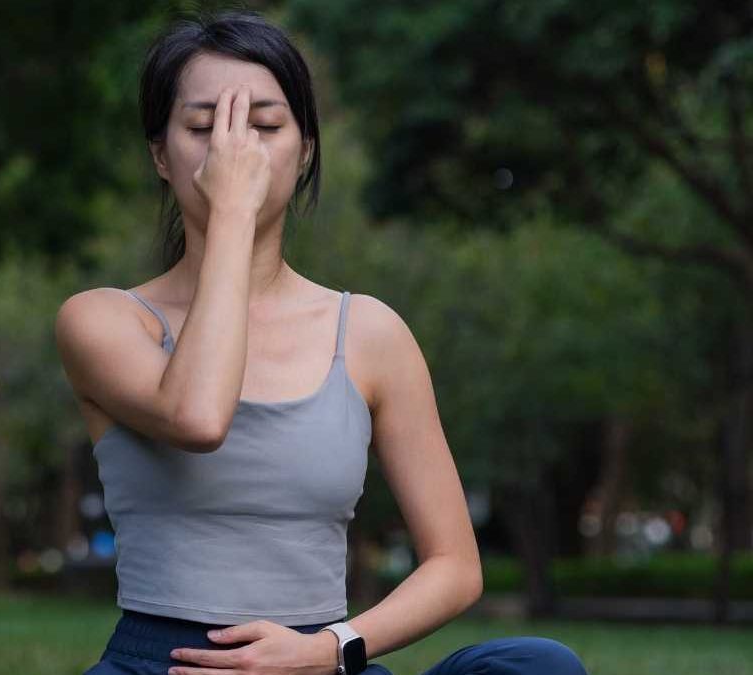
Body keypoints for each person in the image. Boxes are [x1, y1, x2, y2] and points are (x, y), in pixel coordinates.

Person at [55, 10, 590, 675]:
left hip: (318, 659)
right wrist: (230, 215)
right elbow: (197, 415)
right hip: (163, 662)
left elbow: (456, 565)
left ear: (305, 148)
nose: (236, 152)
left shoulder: (369, 332)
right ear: (161, 154)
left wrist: (331, 647)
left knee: (539, 663)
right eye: (204, 128)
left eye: (266, 126)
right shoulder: (103, 319)